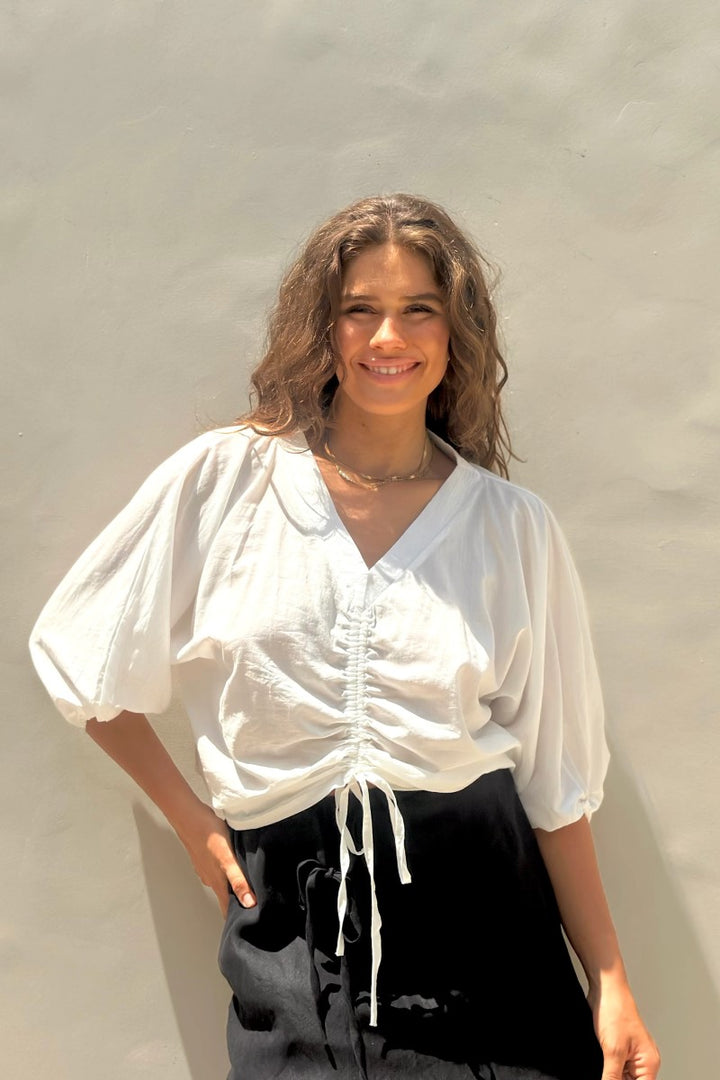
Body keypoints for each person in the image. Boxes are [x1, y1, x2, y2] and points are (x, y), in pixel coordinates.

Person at [29, 194, 660, 1080]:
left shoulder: (511, 527)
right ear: (320, 328)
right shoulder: (228, 481)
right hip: (294, 938)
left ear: (456, 333)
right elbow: (81, 653)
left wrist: (610, 981)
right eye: (359, 309)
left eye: (418, 310)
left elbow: (555, 783)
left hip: (489, 931)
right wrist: (192, 822)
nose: (387, 337)